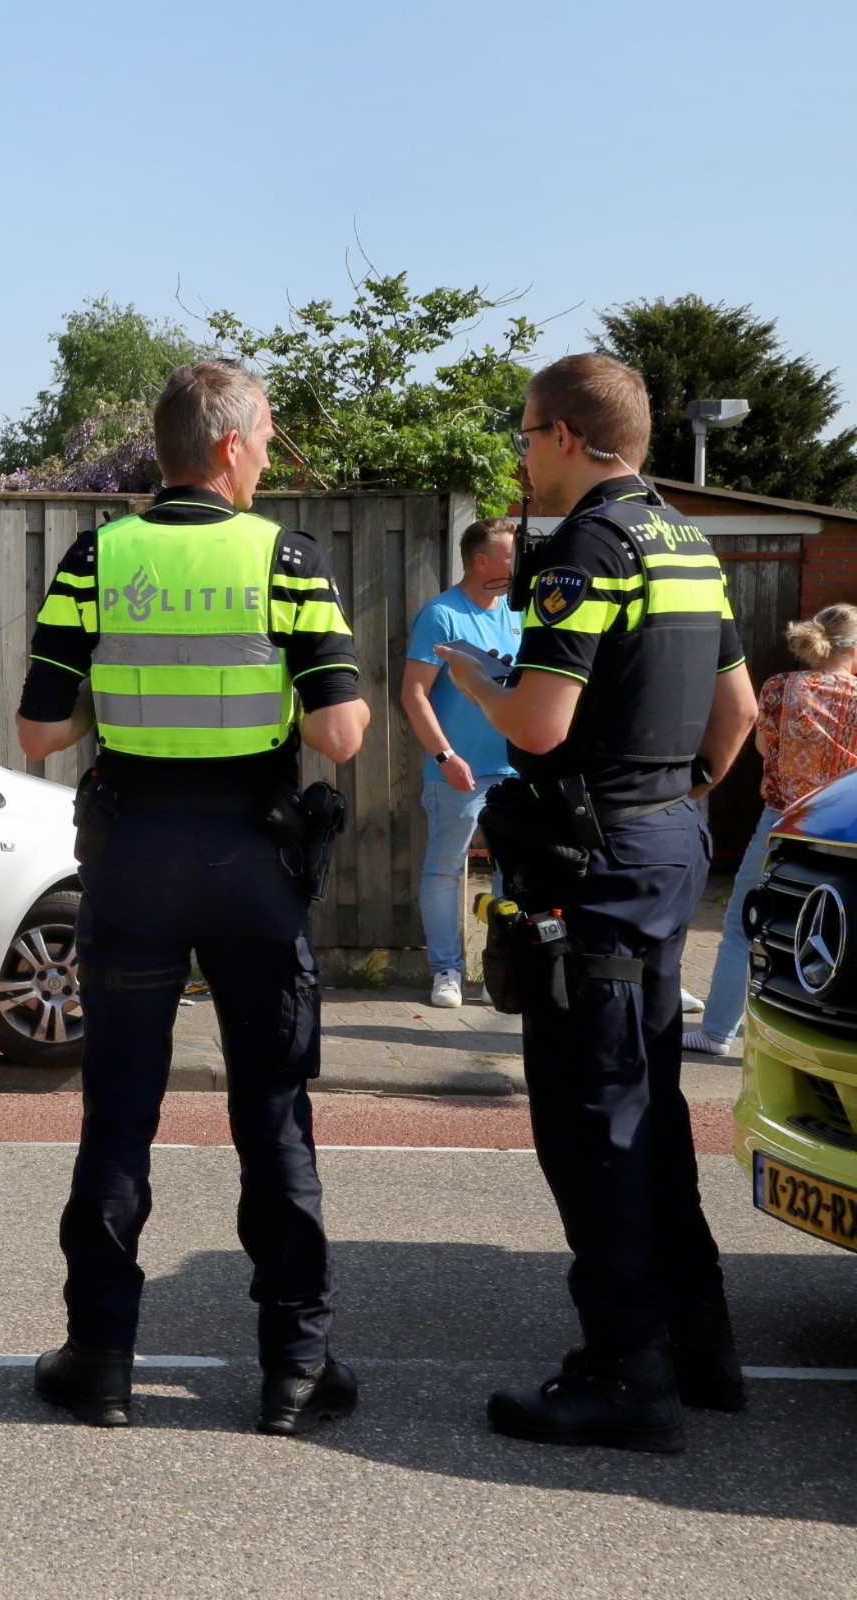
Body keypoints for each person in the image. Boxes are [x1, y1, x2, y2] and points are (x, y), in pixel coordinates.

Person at [15, 360, 371, 1436]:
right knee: (273, 1117)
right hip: (251, 865)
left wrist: (120, 715)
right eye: (265, 438)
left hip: (133, 862)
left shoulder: (99, 555)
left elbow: (39, 732)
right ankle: (295, 1368)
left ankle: (102, 1361)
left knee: (118, 1117)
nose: (268, 455)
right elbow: (341, 734)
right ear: (227, 444)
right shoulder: (285, 557)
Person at [437, 353, 756, 1453]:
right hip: (668, 845)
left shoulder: (587, 546)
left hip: (599, 864)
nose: (522, 456)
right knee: (651, 1103)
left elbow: (538, 726)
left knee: (593, 1121)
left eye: (527, 435)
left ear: (569, 436)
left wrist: (469, 680)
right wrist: (680, 800)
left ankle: (626, 1377)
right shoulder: (690, 542)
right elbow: (739, 714)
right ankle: (700, 1347)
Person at [685, 604, 857, 1055]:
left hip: (782, 820)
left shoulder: (780, 687)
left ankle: (718, 1031)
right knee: (833, 934)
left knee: (745, 925)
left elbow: (765, 747)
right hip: (841, 832)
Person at [401, 519, 521, 1007]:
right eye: (510, 556)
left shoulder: (517, 611)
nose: (517, 565)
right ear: (481, 561)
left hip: (515, 771)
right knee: (446, 871)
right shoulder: (441, 614)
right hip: (459, 772)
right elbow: (412, 695)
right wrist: (445, 755)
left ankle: (500, 971)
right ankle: (446, 972)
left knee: (510, 876)